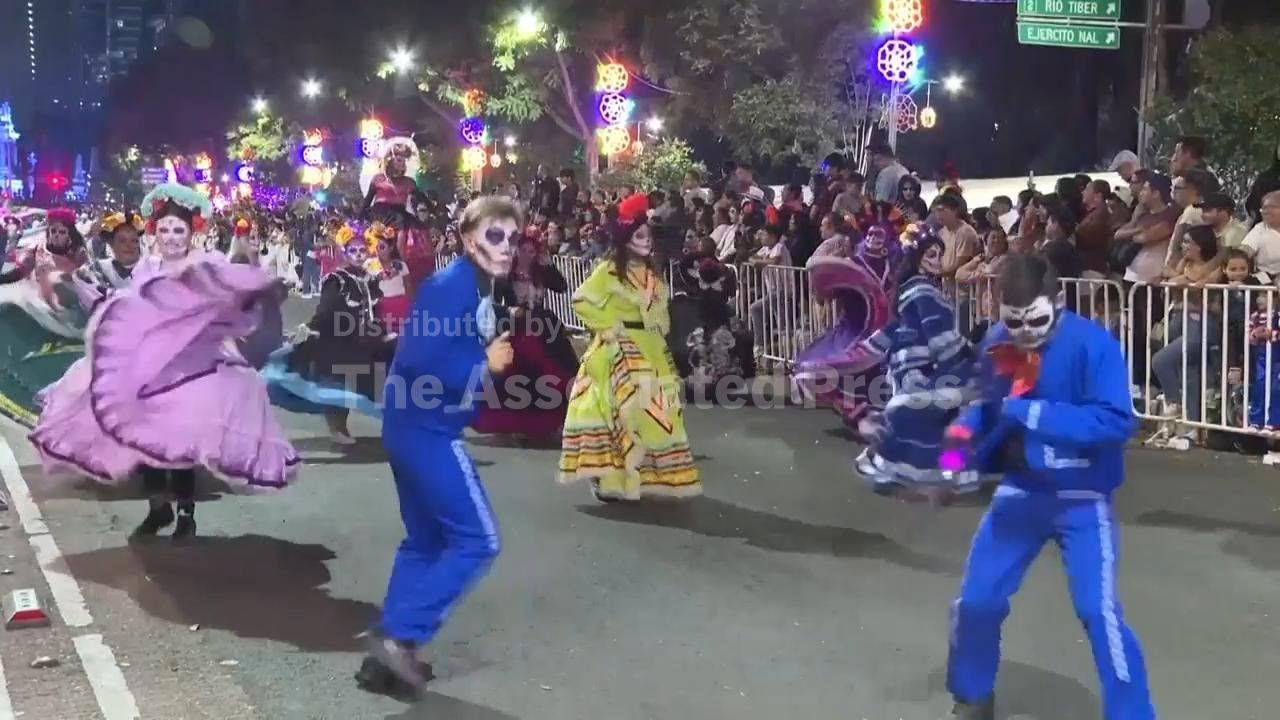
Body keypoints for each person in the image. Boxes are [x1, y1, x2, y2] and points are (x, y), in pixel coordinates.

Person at [941, 254, 1154, 720]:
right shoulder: (999, 341)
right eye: (1013, 321)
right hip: (1021, 492)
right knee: (977, 600)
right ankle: (972, 695)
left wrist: (1034, 414)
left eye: (1034, 319)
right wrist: (957, 448)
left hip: (1083, 497)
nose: (1025, 332)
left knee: (1099, 614)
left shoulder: (1092, 345)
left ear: (1057, 302)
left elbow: (1117, 421)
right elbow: (985, 406)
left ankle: (1133, 714)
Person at [29, 184, 298, 540]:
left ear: (191, 234)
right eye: (165, 229)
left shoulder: (205, 266)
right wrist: (79, 285)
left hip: (194, 369)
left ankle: (185, 515)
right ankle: (159, 510)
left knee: (182, 445)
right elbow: (123, 308)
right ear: (155, 233)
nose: (171, 237)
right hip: (150, 370)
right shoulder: (147, 267)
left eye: (179, 230)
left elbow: (232, 298)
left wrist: (253, 281)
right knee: (147, 441)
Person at [356, 196, 519, 696]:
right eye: (495, 236)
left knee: (425, 541)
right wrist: (483, 364)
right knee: (479, 540)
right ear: (470, 239)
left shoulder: (474, 285)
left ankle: (385, 655)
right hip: (426, 431)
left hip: (413, 426)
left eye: (514, 238)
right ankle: (400, 636)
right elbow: (418, 357)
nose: (507, 247)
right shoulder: (452, 286)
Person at [558, 207, 701, 502]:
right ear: (625, 239)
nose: (646, 241)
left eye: (648, 235)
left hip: (650, 349)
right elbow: (582, 300)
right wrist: (609, 328)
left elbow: (660, 315)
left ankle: (637, 474)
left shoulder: (652, 274)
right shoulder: (610, 270)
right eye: (639, 235)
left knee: (655, 413)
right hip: (619, 349)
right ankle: (607, 476)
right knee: (618, 412)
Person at [847, 228, 979, 497]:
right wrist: (966, 355)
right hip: (922, 369)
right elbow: (939, 336)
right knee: (946, 420)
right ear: (918, 257)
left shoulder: (911, 289)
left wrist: (865, 351)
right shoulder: (923, 291)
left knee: (931, 423)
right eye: (931, 254)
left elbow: (894, 329)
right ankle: (892, 467)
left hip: (907, 367)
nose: (937, 260)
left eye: (940, 254)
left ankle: (895, 469)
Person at [263, 225, 393, 444]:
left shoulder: (369, 280)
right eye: (354, 251)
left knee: (384, 368)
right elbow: (326, 310)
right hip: (340, 338)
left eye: (363, 250)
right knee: (337, 380)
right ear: (344, 252)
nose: (359, 255)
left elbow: (375, 311)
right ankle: (337, 425)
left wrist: (383, 331)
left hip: (367, 337)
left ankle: (392, 423)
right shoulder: (337, 279)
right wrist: (312, 328)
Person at [471, 232, 579, 443]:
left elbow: (562, 287)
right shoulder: (505, 275)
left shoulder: (540, 273)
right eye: (524, 250)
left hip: (543, 328)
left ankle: (555, 422)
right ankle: (516, 424)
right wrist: (510, 311)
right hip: (518, 330)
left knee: (557, 372)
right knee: (518, 377)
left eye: (532, 251)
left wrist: (548, 264)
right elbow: (492, 303)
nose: (528, 255)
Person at [792, 226, 894, 428]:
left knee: (870, 373)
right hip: (854, 329)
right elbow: (825, 293)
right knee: (819, 368)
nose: (874, 240)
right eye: (871, 235)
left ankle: (867, 412)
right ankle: (852, 408)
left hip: (878, 330)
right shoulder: (852, 266)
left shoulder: (891, 266)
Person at [0, 208, 90, 425]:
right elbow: (17, 273)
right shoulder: (36, 251)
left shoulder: (80, 254)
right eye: (52, 232)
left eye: (61, 232)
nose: (56, 236)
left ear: (69, 234)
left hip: (73, 313)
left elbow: (89, 283)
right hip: (40, 308)